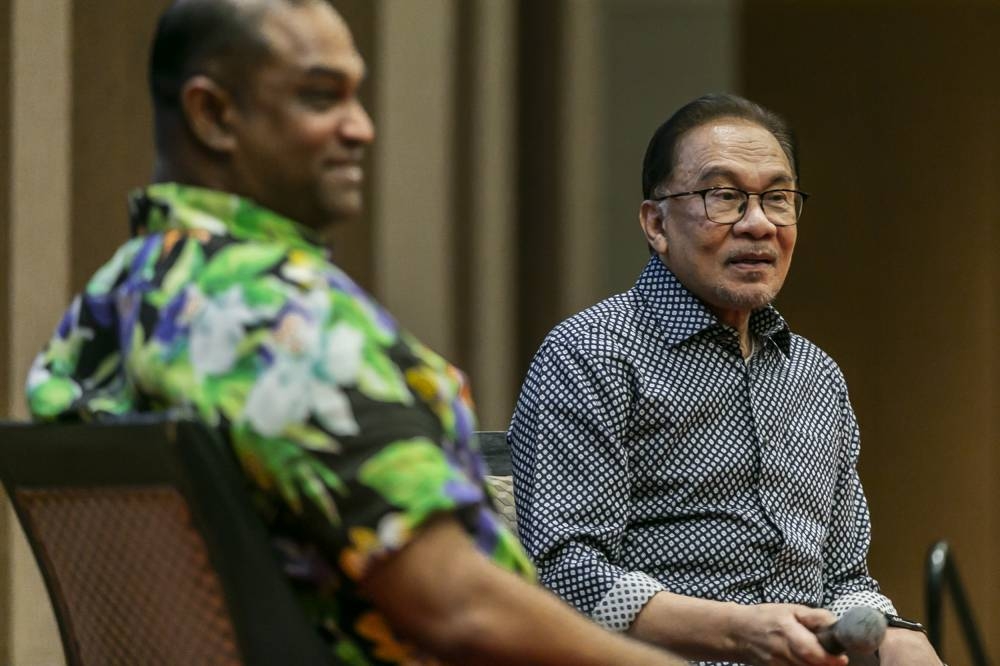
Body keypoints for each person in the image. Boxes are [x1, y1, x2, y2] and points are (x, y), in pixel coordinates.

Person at [24, 1, 687, 664]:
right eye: (321, 97)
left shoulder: (119, 298)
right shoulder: (277, 323)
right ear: (214, 115)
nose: (362, 128)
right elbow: (462, 608)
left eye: (357, 96)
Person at [508, 93, 942, 666]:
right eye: (725, 197)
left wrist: (890, 631)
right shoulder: (593, 352)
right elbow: (566, 575)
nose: (759, 224)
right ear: (656, 223)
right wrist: (739, 632)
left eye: (778, 199)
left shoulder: (815, 375)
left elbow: (843, 576)